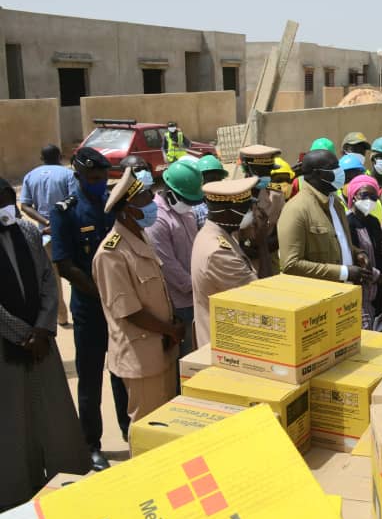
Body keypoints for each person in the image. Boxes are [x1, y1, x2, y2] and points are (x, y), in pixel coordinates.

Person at [0, 178, 91, 509]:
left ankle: (63, 480)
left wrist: (41, 328)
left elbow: (47, 283)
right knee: (12, 419)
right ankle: (16, 494)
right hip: (8, 346)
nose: (4, 209)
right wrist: (21, 334)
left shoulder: (27, 232)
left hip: (41, 341)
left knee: (52, 415)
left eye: (7, 201)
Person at [50, 147, 129, 471]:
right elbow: (65, 264)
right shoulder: (65, 212)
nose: (99, 183)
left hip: (118, 306)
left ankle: (128, 430)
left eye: (103, 178)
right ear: (79, 177)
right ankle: (91, 444)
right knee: (91, 377)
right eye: (94, 179)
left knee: (122, 371)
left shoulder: (111, 204)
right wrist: (101, 293)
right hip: (89, 308)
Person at [93, 168, 181, 426]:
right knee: (146, 425)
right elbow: (129, 310)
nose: (152, 204)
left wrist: (171, 328)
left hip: (162, 347)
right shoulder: (111, 253)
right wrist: (171, 329)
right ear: (128, 210)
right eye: (144, 200)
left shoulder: (140, 238)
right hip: (140, 355)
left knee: (165, 424)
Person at [191, 177, 266, 347]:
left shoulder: (216, 234)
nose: (252, 214)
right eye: (246, 208)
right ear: (227, 211)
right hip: (226, 346)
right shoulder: (218, 251)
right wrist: (262, 244)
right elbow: (261, 299)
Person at [278, 150, 368, 283]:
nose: (340, 171)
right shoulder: (296, 209)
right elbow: (290, 264)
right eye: (334, 168)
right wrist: (343, 273)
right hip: (319, 297)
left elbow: (335, 241)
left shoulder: (336, 203)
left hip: (346, 294)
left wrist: (357, 253)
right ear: (317, 174)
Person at [147, 162, 204, 358]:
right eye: (186, 200)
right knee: (187, 358)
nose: (190, 204)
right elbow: (168, 266)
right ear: (170, 192)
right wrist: (197, 283)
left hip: (196, 295)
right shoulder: (156, 218)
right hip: (179, 302)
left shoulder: (186, 211)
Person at [19, 144, 78, 326]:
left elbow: (25, 205)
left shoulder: (30, 176)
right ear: (60, 156)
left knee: (52, 280)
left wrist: (46, 223)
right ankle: (79, 315)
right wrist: (58, 222)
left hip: (43, 235)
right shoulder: (68, 174)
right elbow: (75, 199)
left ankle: (61, 317)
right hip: (67, 233)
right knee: (76, 275)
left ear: (41, 157)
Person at [346, 175, 382, 330]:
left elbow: (379, 254)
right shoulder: (347, 223)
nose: (370, 200)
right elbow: (352, 258)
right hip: (358, 293)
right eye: (364, 195)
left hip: (376, 294)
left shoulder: (373, 222)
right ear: (353, 196)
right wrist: (379, 277)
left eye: (374, 197)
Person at [238, 144, 284, 276]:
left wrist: (262, 246)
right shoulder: (233, 195)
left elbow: (281, 233)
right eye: (261, 171)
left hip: (270, 262)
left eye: (269, 171)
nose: (267, 176)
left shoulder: (276, 195)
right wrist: (243, 247)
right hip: (242, 265)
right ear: (247, 167)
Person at [191, 155, 228, 230]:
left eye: (218, 180)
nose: (214, 184)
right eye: (210, 180)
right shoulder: (195, 210)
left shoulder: (228, 201)